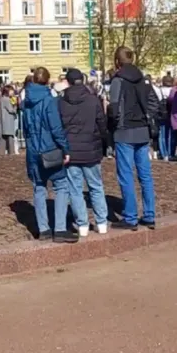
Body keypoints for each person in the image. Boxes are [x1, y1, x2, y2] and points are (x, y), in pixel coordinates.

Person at [22, 66, 75, 242]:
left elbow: (26, 129)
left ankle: (43, 229)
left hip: (33, 149)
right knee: (61, 185)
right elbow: (56, 128)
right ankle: (59, 228)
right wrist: (65, 148)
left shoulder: (26, 102)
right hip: (50, 148)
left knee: (39, 187)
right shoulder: (49, 100)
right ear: (47, 80)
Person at [108, 46, 159, 230]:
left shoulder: (118, 80)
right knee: (145, 175)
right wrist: (147, 116)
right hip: (142, 130)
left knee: (126, 175)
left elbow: (113, 109)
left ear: (117, 61)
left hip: (124, 131)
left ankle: (130, 217)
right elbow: (154, 102)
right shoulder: (143, 79)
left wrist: (113, 125)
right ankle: (149, 215)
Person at [58, 67, 108, 236]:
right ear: (83, 80)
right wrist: (104, 143)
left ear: (68, 82)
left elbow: (60, 126)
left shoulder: (61, 102)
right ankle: (101, 222)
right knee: (96, 186)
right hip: (91, 149)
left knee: (75, 188)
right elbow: (102, 124)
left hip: (71, 150)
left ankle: (82, 225)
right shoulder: (93, 100)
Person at [0, 85, 17, 154]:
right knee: (10, 136)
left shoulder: (2, 99)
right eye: (11, 90)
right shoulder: (7, 99)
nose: (13, 92)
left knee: (3, 137)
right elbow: (11, 110)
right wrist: (15, 106)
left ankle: (1, 152)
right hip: (8, 120)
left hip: (3, 120)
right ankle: (11, 152)